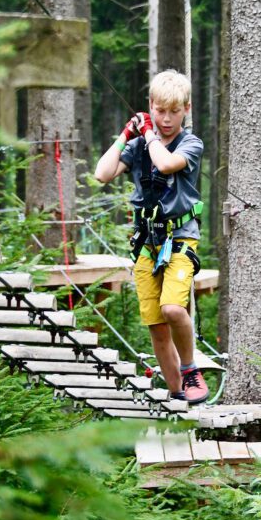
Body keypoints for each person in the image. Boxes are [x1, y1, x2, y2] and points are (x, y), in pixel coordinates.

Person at [94, 69, 209, 404]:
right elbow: (102, 174)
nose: (167, 118)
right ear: (151, 106)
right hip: (146, 244)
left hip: (180, 240)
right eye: (160, 111)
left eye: (174, 111)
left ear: (186, 109)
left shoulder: (190, 143)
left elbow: (167, 163)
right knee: (157, 325)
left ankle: (190, 370)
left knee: (173, 308)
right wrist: (125, 134)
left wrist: (148, 135)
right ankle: (177, 396)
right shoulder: (140, 143)